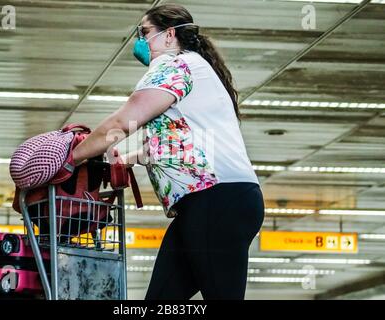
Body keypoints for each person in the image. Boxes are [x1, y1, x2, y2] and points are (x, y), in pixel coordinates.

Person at [72, 3, 265, 300]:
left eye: (145, 32)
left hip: (217, 200)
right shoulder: (196, 67)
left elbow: (124, 122)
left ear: (169, 35)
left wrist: (71, 158)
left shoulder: (174, 66)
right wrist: (127, 159)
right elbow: (171, 145)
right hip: (216, 202)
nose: (139, 41)